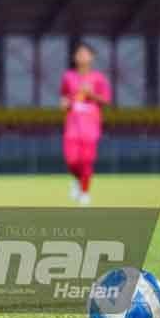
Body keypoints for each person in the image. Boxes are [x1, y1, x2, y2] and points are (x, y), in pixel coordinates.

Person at [60, 42, 111, 206]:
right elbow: (64, 97)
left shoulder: (99, 78)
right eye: (79, 53)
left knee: (87, 161)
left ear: (92, 57)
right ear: (74, 57)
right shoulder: (69, 77)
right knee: (72, 160)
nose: (81, 56)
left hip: (91, 126)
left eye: (85, 53)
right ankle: (76, 180)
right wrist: (64, 104)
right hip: (73, 126)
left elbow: (106, 100)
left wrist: (91, 95)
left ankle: (84, 192)